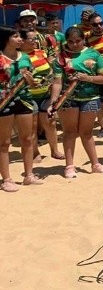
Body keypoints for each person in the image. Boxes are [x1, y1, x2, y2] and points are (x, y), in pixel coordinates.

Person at [47, 27, 103, 178]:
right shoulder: (61, 58)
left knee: (87, 133)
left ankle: (95, 164)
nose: (74, 44)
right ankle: (69, 166)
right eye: (71, 41)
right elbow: (57, 82)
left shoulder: (94, 54)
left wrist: (88, 78)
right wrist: (53, 102)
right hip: (68, 99)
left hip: (90, 97)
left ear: (83, 39)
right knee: (69, 132)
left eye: (78, 41)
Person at [0, 27, 42, 191]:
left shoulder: (24, 57)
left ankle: (29, 175)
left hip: (24, 100)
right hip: (4, 101)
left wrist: (30, 80)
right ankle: (6, 179)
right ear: (6, 39)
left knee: (27, 138)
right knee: (4, 142)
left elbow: (32, 84)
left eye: (20, 36)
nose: (20, 39)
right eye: (15, 36)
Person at [20, 29, 64, 162]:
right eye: (31, 39)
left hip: (46, 94)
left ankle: (54, 151)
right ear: (22, 41)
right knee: (32, 126)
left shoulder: (41, 52)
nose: (35, 41)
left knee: (50, 123)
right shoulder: (19, 57)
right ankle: (35, 153)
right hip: (28, 96)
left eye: (36, 39)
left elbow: (52, 68)